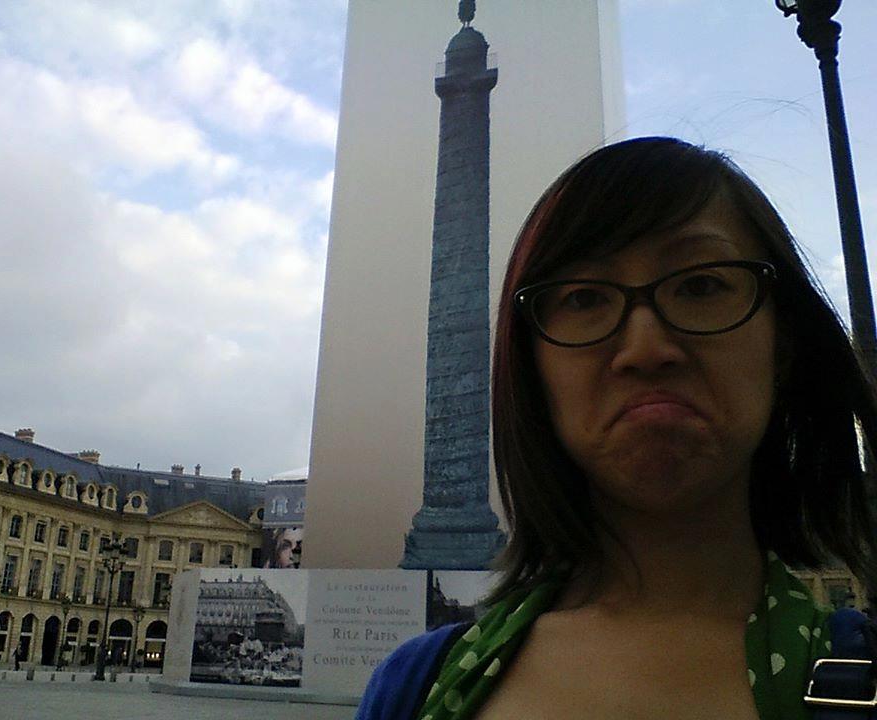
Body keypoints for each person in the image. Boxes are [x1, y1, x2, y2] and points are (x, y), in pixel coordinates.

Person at [356, 136, 877, 720]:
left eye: (701, 285)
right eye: (583, 298)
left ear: (783, 343)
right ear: (532, 369)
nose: (646, 348)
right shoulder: (411, 687)